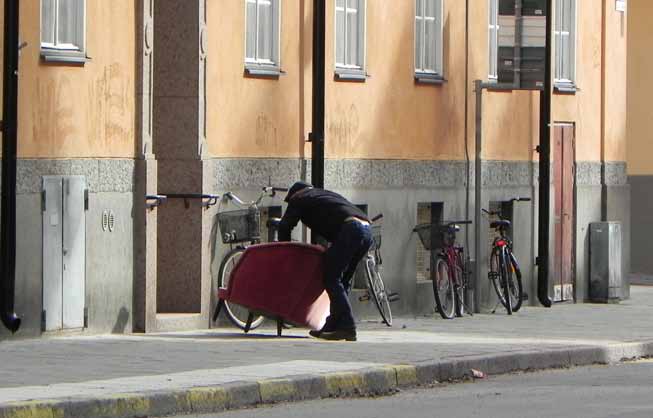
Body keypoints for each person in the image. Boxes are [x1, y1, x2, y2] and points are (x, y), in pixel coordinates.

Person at [278, 181, 373, 342]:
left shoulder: (299, 198)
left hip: (350, 229)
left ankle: (348, 326)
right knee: (343, 280)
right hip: (366, 229)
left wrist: (285, 252)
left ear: (294, 194)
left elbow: (284, 226)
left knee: (331, 277)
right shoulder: (323, 195)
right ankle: (333, 325)